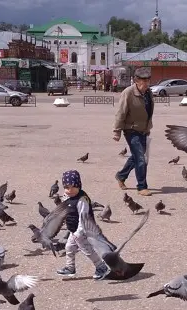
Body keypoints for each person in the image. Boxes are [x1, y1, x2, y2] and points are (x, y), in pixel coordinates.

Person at [55, 170, 111, 280]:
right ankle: (70, 268)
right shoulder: (67, 196)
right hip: (74, 230)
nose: (69, 190)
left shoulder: (82, 200)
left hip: (83, 230)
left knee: (87, 250)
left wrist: (79, 232)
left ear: (78, 185)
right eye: (66, 187)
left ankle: (101, 267)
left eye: (72, 187)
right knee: (69, 247)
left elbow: (83, 218)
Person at [113, 67, 154, 196]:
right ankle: (142, 186)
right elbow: (121, 113)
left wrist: (148, 128)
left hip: (143, 130)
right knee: (141, 158)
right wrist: (116, 131)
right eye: (143, 80)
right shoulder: (128, 93)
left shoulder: (148, 93)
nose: (146, 83)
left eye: (148, 80)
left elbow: (148, 111)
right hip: (131, 130)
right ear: (136, 80)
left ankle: (121, 176)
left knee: (136, 157)